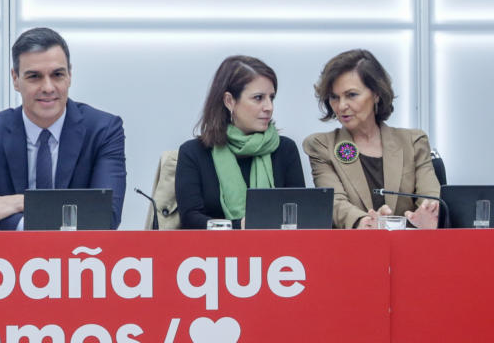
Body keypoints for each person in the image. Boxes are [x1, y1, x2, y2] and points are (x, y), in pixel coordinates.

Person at [0, 27, 126, 230]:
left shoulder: (103, 130)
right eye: (34, 76)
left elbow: (106, 215)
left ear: (70, 75)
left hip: (81, 258)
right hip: (2, 260)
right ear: (15, 79)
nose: (47, 87)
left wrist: (19, 202)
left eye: (57, 74)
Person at [303, 49, 440, 229]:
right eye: (334, 97)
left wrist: (428, 215)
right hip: (352, 250)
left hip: (410, 248)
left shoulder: (413, 142)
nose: (342, 106)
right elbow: (335, 203)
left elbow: (430, 198)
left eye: (351, 95)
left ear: (376, 94)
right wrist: (364, 222)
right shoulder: (322, 146)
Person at [175, 55, 305, 229]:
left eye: (271, 98)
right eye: (258, 98)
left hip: (280, 253)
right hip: (212, 254)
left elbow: (302, 216)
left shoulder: (285, 149)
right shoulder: (194, 153)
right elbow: (190, 219)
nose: (269, 107)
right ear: (229, 101)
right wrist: (238, 226)